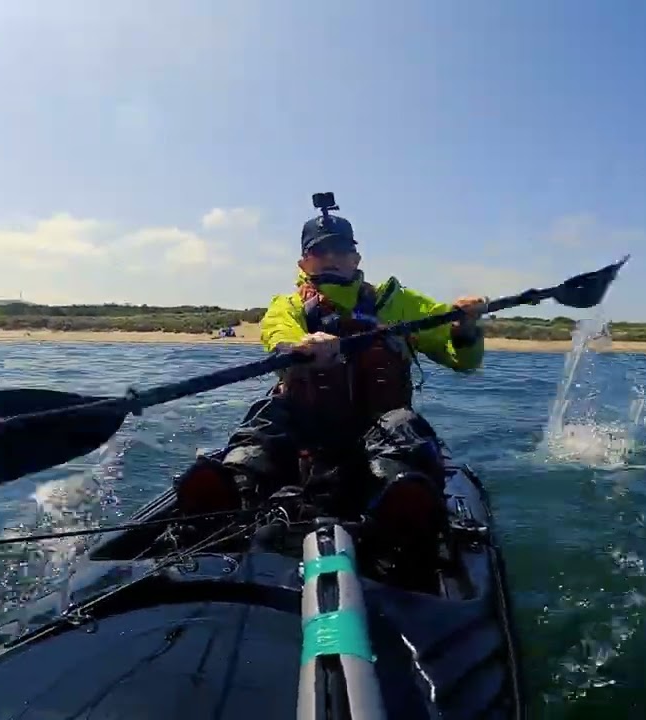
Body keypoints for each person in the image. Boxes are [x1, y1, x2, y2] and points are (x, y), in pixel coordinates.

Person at [175, 192, 487, 585]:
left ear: (356, 259)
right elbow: (278, 333)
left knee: (403, 424)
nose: (332, 258)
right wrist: (301, 346)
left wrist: (465, 328)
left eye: (341, 250)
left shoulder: (398, 303)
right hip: (308, 436)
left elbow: (462, 359)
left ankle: (403, 516)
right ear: (304, 262)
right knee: (267, 414)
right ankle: (228, 500)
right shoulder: (288, 305)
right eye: (320, 252)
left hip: (376, 430)